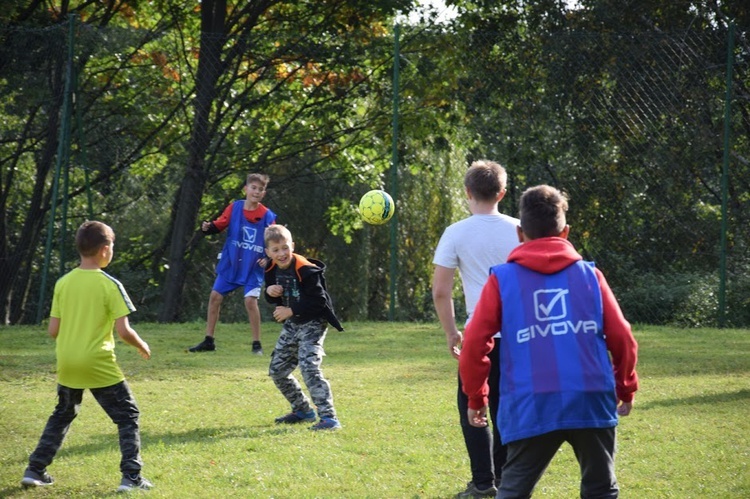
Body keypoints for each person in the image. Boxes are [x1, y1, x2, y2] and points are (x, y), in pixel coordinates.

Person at [459, 185, 639, 499]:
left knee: (513, 490)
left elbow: (475, 343)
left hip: (531, 402)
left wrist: (477, 397)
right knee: (601, 489)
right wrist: (625, 385)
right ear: (565, 232)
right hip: (590, 396)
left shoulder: (502, 280)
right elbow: (622, 336)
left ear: (519, 233)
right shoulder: (590, 276)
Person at [21, 221, 152, 493]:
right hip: (97, 362)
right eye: (112, 246)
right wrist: (141, 344)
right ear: (105, 250)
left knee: (63, 413)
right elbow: (123, 330)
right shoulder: (109, 285)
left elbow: (53, 330)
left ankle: (35, 469)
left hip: (67, 361)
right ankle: (132, 477)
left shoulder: (63, 283)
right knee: (128, 415)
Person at [432, 160, 520, 498]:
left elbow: (441, 290)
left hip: (479, 338)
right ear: (502, 193)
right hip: (517, 338)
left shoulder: (456, 232)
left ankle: (484, 483)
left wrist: (452, 331)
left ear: (467, 192)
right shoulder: (521, 228)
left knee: (472, 405)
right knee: (506, 409)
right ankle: (506, 481)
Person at [263, 224, 344, 431]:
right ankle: (303, 410)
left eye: (285, 248)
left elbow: (319, 301)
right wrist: (270, 292)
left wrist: (290, 311)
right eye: (276, 250)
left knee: (309, 367)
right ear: (268, 252)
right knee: (277, 371)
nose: (281, 253)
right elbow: (275, 297)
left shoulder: (306, 270)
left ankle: (329, 418)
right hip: (294, 323)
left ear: (292, 245)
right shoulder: (271, 268)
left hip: (314, 322)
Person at [189, 173, 277, 354]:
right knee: (215, 297)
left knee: (250, 301)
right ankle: (208, 341)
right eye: (253, 188)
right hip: (232, 263)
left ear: (264, 194)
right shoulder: (234, 208)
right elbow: (220, 224)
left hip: (253, 266)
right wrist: (208, 228)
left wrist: (268, 258)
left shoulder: (267, 216)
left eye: (260, 189)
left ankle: (256, 345)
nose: (256, 192)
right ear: (246, 189)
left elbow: (274, 238)